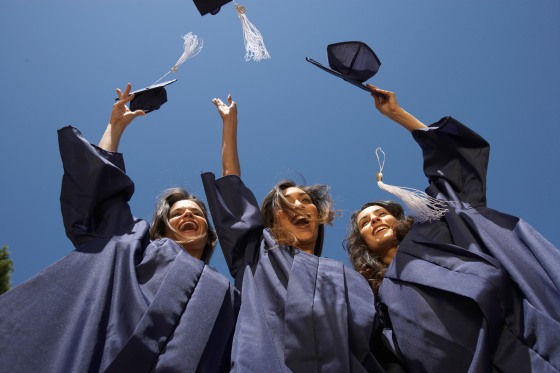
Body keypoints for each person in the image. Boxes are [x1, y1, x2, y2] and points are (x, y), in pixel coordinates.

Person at [0, 84, 235, 372]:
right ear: (162, 226)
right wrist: (115, 126)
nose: (187, 216)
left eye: (196, 213)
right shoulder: (129, 243)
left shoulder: (225, 293)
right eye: (177, 213)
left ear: (210, 233)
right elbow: (99, 190)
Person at [344, 84, 560, 372]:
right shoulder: (377, 301)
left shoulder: (436, 228)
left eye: (381, 213)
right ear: (362, 244)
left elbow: (454, 167)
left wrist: (397, 114)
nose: (375, 220)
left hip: (534, 339)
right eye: (365, 223)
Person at [200, 94, 394, 372]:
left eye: (305, 201)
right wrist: (230, 124)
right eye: (287, 204)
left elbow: (377, 345)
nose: (298, 207)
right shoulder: (256, 254)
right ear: (269, 220)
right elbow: (232, 185)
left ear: (319, 216)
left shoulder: (350, 279)